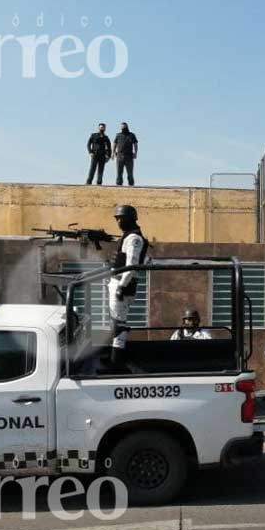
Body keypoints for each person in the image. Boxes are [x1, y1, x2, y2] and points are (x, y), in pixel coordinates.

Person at [108, 205, 149, 366]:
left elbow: (131, 265)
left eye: (121, 218)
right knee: (116, 322)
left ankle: (116, 361)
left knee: (119, 324)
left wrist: (121, 286)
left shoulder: (134, 238)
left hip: (122, 284)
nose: (118, 221)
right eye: (117, 218)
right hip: (119, 282)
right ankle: (114, 357)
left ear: (130, 219)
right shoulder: (128, 236)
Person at [113, 122, 139, 187]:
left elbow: (135, 144)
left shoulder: (132, 135)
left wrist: (135, 153)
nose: (123, 128)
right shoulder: (118, 135)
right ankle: (119, 185)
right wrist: (113, 152)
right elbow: (114, 144)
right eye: (122, 127)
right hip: (119, 156)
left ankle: (131, 185)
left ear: (127, 127)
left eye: (124, 127)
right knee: (119, 172)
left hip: (129, 156)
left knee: (130, 173)